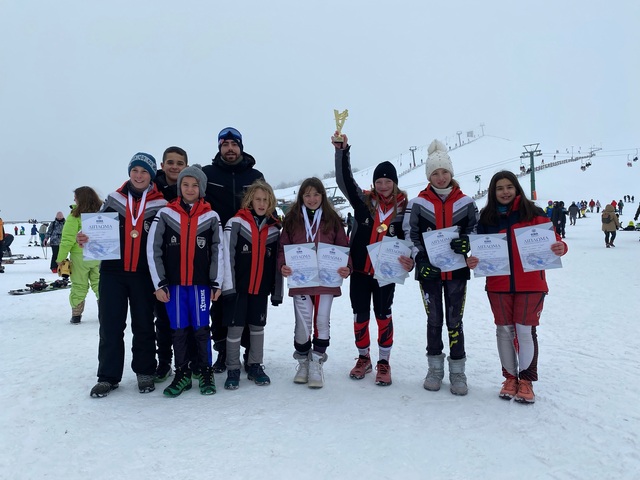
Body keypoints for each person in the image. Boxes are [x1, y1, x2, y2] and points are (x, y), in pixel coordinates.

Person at [466, 171, 568, 404]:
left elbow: (555, 241)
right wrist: (472, 260)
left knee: (524, 331)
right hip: (498, 283)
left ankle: (526, 380)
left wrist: (561, 247)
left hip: (530, 283)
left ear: (516, 188)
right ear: (493, 192)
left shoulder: (534, 213)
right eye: (500, 188)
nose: (505, 192)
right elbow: (479, 252)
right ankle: (510, 378)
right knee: (504, 331)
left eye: (509, 187)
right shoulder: (486, 219)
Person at [84, 152, 167, 398]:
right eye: (135, 171)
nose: (139, 176)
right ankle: (108, 376)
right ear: (129, 173)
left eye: (144, 172)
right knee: (110, 325)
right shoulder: (114, 199)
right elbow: (97, 231)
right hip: (112, 273)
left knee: (143, 324)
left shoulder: (161, 204)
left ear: (151, 175)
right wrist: (85, 239)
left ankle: (144, 371)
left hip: (143, 274)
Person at [334, 132, 413, 386]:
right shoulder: (363, 202)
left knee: (383, 315)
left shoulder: (404, 208)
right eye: (378, 181)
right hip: (358, 272)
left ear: (395, 182)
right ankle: (363, 358)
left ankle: (384, 362)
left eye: (387, 181)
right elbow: (344, 180)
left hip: (385, 275)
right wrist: (342, 152)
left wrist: (411, 258)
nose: (382, 185)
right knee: (360, 315)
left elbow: (411, 239)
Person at [404, 139, 478, 396]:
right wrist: (420, 260)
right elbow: (408, 235)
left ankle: (458, 371)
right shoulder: (417, 203)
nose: (440, 177)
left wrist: (467, 243)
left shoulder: (466, 202)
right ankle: (434, 368)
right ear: (428, 175)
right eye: (435, 172)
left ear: (451, 172)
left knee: (454, 320)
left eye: (444, 171)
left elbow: (475, 231)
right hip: (429, 274)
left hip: (457, 271)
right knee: (434, 320)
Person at [148, 164, 223, 397]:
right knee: (178, 329)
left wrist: (216, 282)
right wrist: (159, 283)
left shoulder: (211, 216)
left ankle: (205, 371)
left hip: (200, 285)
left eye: (195, 185)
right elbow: (153, 249)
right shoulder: (166, 213)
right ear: (179, 187)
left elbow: (218, 251)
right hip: (175, 286)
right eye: (185, 184)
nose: (190, 189)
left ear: (202, 188)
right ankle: (182, 373)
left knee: (201, 328)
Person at [277, 177, 351, 388]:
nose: (312, 198)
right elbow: (283, 248)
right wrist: (283, 265)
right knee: (302, 324)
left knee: (321, 321)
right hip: (301, 281)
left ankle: (317, 362)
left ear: (322, 196)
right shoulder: (292, 220)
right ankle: (302, 362)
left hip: (326, 282)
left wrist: (347, 267)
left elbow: (343, 247)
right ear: (301, 196)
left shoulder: (332, 219)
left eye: (316, 194)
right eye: (307, 194)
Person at [203, 127, 264, 373]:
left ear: (241, 147)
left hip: (248, 248)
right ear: (219, 147)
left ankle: (251, 353)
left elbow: (265, 204)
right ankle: (222, 352)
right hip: (216, 248)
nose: (230, 148)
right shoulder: (208, 174)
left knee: (249, 300)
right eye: (225, 144)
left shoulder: (255, 175)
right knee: (219, 301)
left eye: (234, 144)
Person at [222, 180, 283, 390]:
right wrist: (227, 286)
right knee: (235, 328)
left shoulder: (274, 228)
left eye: (266, 200)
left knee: (258, 328)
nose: (261, 203)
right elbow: (226, 257)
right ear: (250, 200)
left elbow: (277, 263)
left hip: (261, 289)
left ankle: (255, 364)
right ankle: (232, 368)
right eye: (258, 199)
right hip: (237, 289)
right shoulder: (236, 223)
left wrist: (277, 292)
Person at [152, 146, 189, 384]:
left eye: (179, 163)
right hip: (159, 265)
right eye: (170, 162)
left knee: (189, 317)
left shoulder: (191, 189)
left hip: (188, 265)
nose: (174, 166)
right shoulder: (151, 191)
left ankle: (190, 362)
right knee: (163, 318)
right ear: (162, 165)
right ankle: (164, 361)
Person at [56, 188, 102, 324]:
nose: (74, 200)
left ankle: (76, 315)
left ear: (81, 198)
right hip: (100, 255)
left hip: (80, 257)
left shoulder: (74, 216)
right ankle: (105, 312)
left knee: (79, 285)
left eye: (75, 197)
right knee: (101, 284)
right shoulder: (102, 213)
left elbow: (67, 240)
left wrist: (60, 259)